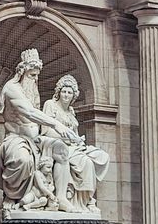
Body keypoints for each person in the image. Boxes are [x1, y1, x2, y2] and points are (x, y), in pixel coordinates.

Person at [0, 48, 78, 215]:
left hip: (37, 140)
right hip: (16, 138)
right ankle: (13, 195)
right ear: (22, 72)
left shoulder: (32, 89)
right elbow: (30, 112)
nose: (35, 79)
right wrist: (57, 125)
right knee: (23, 160)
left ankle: (61, 198)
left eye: (37, 75)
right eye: (32, 75)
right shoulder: (12, 88)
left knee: (61, 149)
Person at [41, 74, 110, 213]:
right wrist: (67, 138)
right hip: (53, 144)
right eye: (64, 91)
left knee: (96, 158)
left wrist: (79, 141)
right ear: (59, 92)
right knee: (78, 159)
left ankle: (86, 201)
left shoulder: (71, 111)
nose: (66, 95)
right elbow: (46, 131)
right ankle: (67, 198)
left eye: (69, 92)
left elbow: (75, 134)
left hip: (72, 146)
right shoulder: (50, 105)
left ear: (74, 96)